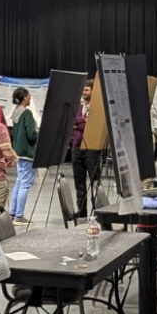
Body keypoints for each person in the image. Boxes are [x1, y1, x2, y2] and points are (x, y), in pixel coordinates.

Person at [71, 79, 101, 219]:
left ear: (93, 92)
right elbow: (73, 121)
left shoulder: (97, 108)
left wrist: (79, 123)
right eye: (83, 90)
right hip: (77, 147)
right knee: (79, 183)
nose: (84, 92)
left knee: (95, 182)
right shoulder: (78, 106)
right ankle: (81, 212)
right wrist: (83, 122)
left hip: (92, 148)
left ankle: (98, 211)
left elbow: (94, 125)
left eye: (87, 90)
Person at [9, 87, 39, 225]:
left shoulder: (15, 111)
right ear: (25, 97)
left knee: (19, 182)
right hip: (27, 153)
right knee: (25, 184)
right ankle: (19, 216)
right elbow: (32, 135)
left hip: (18, 152)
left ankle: (12, 213)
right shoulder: (27, 113)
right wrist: (40, 132)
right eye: (29, 95)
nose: (30, 97)